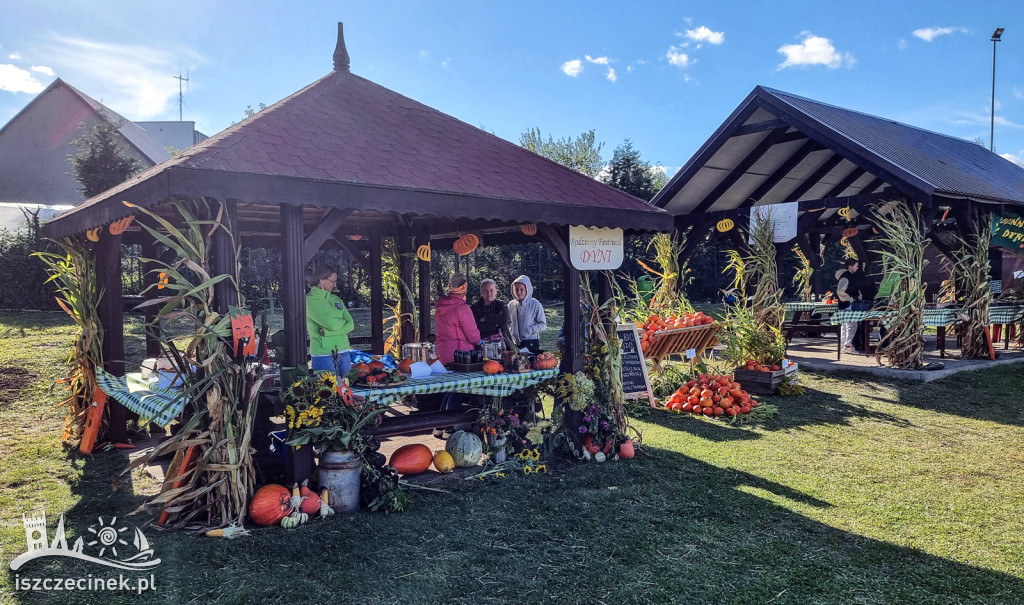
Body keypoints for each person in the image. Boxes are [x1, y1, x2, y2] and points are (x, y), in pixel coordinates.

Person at [305, 264, 354, 357]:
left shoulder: (336, 299)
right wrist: (343, 322)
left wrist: (328, 333)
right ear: (321, 279)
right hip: (323, 354)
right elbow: (332, 325)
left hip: (344, 351)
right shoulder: (310, 300)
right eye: (333, 281)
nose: (335, 285)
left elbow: (351, 324)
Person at [433, 273, 481, 364]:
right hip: (460, 356)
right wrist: (480, 342)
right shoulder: (462, 308)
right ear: (464, 287)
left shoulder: (440, 306)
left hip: (441, 353)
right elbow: (473, 336)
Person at [508, 275, 547, 354]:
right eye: (516, 289)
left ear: (527, 289)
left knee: (530, 365)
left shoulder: (535, 304)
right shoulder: (511, 305)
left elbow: (543, 325)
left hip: (531, 342)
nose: (519, 292)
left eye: (522, 289)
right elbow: (508, 322)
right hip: (515, 343)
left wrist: (529, 330)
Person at [835, 259, 865, 353]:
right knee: (851, 325)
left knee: (845, 325)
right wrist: (851, 299)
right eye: (856, 266)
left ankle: (844, 345)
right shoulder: (846, 276)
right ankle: (847, 345)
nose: (857, 268)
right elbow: (840, 291)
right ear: (850, 266)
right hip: (848, 304)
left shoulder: (846, 276)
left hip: (844, 304)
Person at [470, 279, 509, 343]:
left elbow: (504, 318)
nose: (489, 293)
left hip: (503, 344)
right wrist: (496, 323)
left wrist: (486, 318)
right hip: (482, 343)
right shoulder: (475, 308)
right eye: (486, 291)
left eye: (491, 290)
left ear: (496, 291)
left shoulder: (501, 305)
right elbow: (476, 326)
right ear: (481, 292)